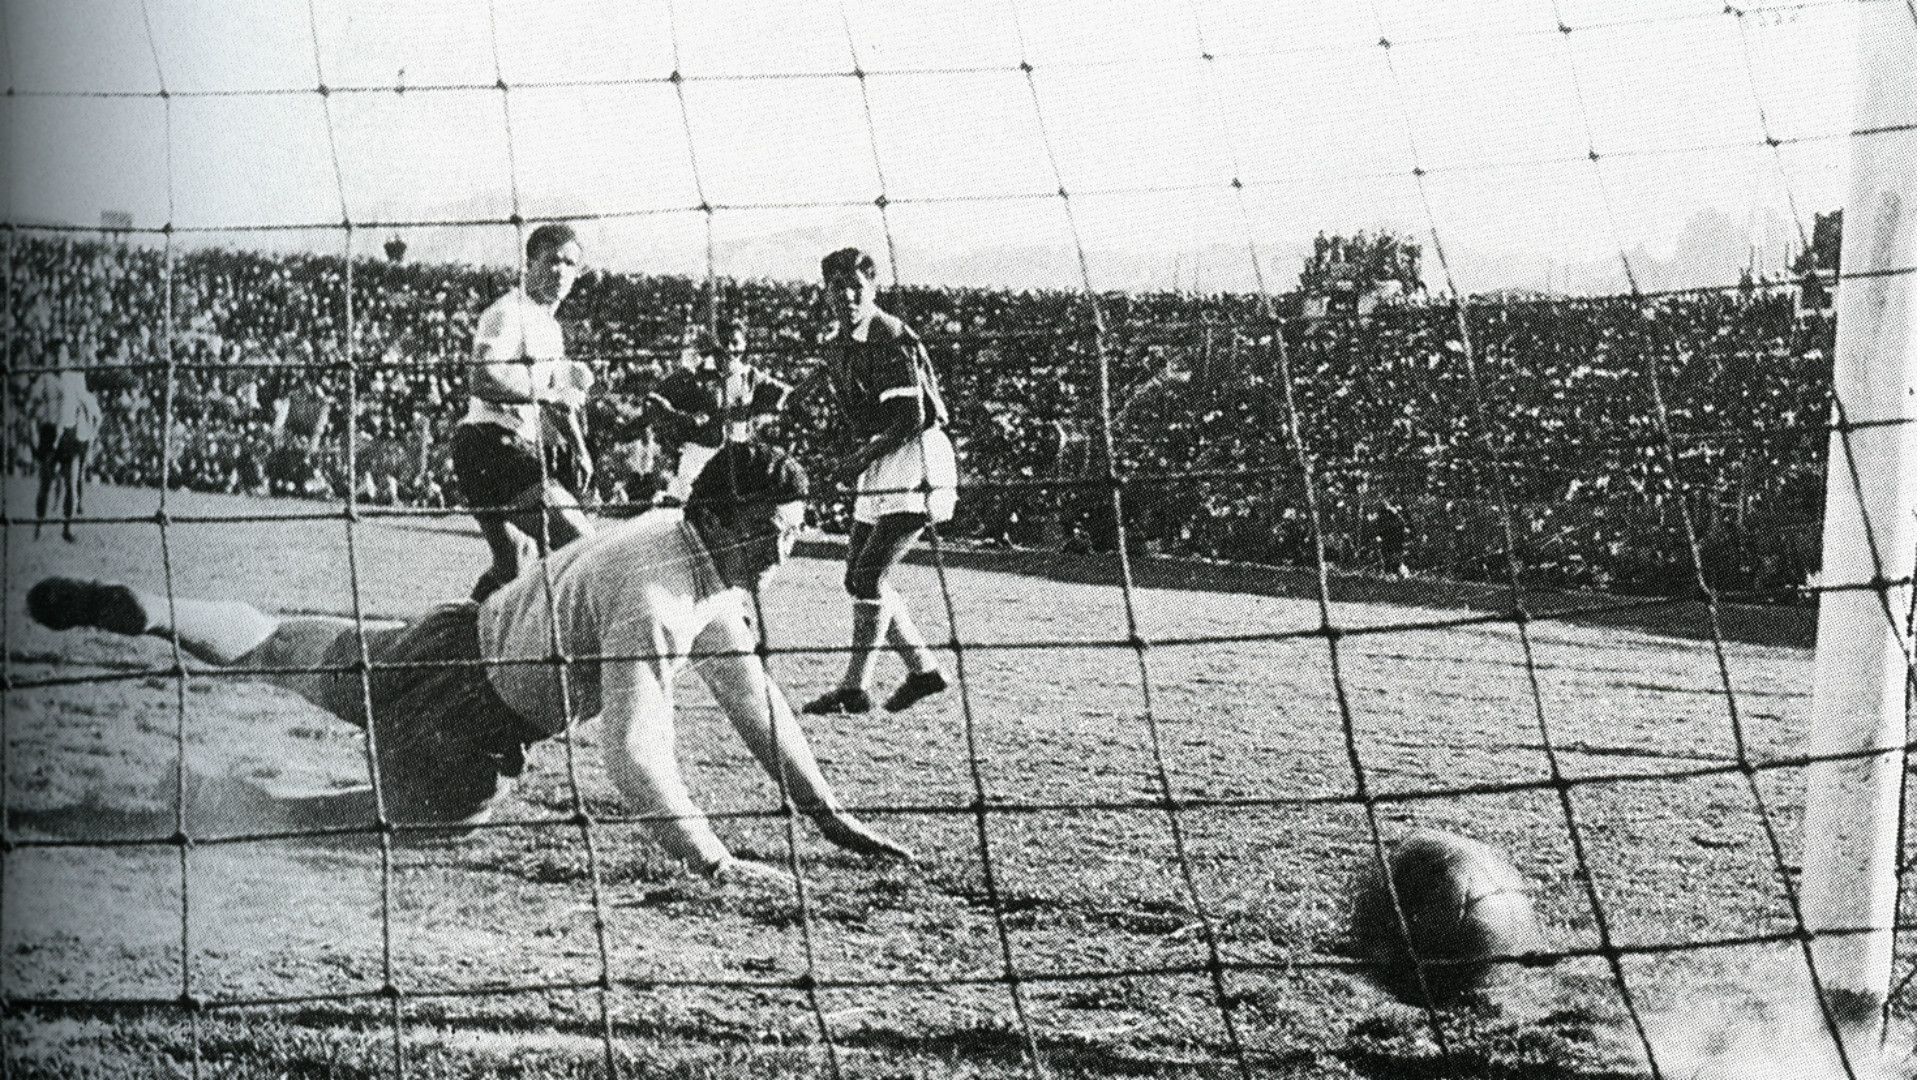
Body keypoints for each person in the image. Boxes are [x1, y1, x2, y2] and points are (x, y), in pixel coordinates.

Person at [24, 442, 911, 886]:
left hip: (447, 640)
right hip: (470, 720)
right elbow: (638, 759)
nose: (791, 550)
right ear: (724, 517)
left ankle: (151, 613)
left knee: (278, 643)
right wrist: (716, 865)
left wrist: (831, 819)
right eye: (778, 531)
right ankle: (238, 806)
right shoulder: (660, 590)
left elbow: (755, 700)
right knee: (433, 822)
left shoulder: (692, 558)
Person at [801, 248, 956, 716]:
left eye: (858, 287)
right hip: (880, 456)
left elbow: (912, 415)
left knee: (869, 574)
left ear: (873, 288)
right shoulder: (840, 343)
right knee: (858, 577)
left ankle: (855, 687)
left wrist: (856, 460)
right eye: (838, 288)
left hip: (914, 457)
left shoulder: (888, 334)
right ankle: (924, 670)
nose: (848, 295)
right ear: (825, 291)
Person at [451, 223, 596, 604]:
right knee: (582, 545)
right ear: (529, 263)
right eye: (551, 261)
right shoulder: (507, 312)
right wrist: (545, 396)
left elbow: (556, 402)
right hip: (491, 442)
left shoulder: (550, 329)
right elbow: (482, 377)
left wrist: (579, 448)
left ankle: (455, 642)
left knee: (513, 565)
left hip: (495, 447)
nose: (559, 271)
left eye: (569, 263)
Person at [650, 321, 792, 506]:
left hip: (736, 459)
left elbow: (789, 394)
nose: (729, 349)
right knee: (684, 509)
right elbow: (653, 398)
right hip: (699, 456)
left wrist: (818, 376)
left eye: (735, 342)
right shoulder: (694, 373)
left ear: (745, 345)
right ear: (715, 344)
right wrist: (683, 417)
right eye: (724, 342)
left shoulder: (751, 376)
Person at [28, 338, 91, 542]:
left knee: (71, 484)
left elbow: (86, 405)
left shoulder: (75, 378)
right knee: (45, 484)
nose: (59, 358)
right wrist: (34, 433)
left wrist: (86, 432)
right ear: (51, 357)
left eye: (63, 354)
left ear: (67, 356)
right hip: (48, 433)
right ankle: (39, 525)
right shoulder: (45, 379)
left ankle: (68, 527)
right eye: (56, 354)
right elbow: (31, 406)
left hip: (68, 435)